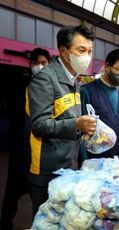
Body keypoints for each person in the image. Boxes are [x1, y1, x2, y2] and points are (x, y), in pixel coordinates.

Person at [26, 25, 97, 217]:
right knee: (46, 222)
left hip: (68, 165)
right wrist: (76, 124)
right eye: (81, 50)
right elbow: (39, 125)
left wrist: (86, 129)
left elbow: (69, 118)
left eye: (90, 51)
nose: (87, 56)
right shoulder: (45, 79)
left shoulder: (74, 79)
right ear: (64, 51)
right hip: (47, 169)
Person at [0, 48, 51, 229]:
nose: (39, 66)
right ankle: (5, 224)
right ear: (30, 65)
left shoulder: (51, 89)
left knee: (40, 196)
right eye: (36, 63)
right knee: (12, 192)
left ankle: (39, 225)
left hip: (41, 150)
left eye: (44, 63)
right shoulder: (20, 84)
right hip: (19, 147)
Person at [80, 48, 119, 160]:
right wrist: (84, 160)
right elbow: (81, 132)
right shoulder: (87, 91)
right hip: (96, 160)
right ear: (107, 66)